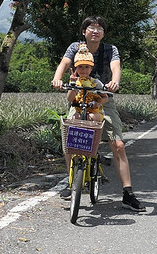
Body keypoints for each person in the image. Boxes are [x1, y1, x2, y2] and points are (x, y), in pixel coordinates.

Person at [52, 15, 145, 212]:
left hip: (103, 98)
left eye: (100, 28)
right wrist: (57, 79)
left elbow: (116, 68)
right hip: (79, 98)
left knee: (118, 144)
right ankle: (72, 182)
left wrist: (115, 82)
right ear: (84, 32)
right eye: (91, 28)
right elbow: (64, 64)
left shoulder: (111, 50)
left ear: (104, 33)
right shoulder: (75, 47)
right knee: (70, 138)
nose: (95, 31)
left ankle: (128, 193)